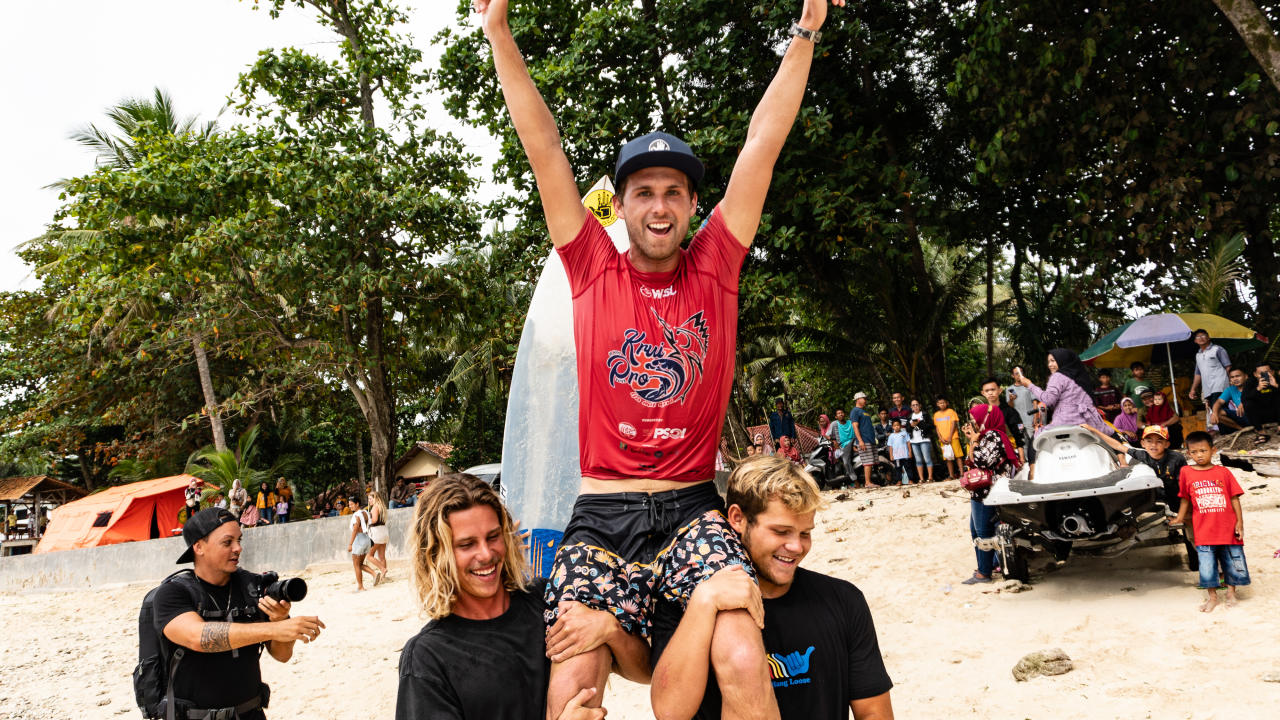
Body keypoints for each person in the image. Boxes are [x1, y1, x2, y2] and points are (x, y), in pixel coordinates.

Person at [481, 0, 842, 712]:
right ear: (620, 205)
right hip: (602, 513)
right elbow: (544, 146)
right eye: (642, 191)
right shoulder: (591, 266)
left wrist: (805, 34)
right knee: (572, 679)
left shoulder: (717, 264)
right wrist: (498, 32)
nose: (658, 204)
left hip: (691, 508)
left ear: (691, 204)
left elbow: (761, 145)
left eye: (673, 192)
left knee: (742, 652)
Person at [650, 456, 894, 719]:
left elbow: (873, 712)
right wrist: (704, 602)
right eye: (781, 531)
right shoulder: (685, 603)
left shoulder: (844, 600)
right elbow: (670, 711)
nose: (797, 547)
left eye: (805, 533)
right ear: (737, 518)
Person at [396, 474, 632, 720]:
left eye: (493, 537)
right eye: (467, 545)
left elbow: (646, 672)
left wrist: (610, 630)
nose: (486, 554)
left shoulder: (547, 598)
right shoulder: (427, 657)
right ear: (435, 554)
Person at [153, 509, 325, 720]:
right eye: (228, 542)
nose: (238, 548)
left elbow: (282, 655)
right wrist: (275, 628)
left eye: (239, 540)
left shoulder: (252, 587)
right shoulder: (172, 593)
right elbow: (197, 637)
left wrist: (279, 619)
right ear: (198, 547)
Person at [1171, 431, 1249, 612]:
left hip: (1227, 526)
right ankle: (1212, 597)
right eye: (1195, 452)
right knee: (1206, 564)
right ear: (1188, 453)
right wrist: (1180, 518)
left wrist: (1240, 522)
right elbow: (1184, 498)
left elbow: (1234, 498)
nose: (1199, 455)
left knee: (1232, 560)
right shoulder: (1186, 472)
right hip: (1203, 528)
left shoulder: (1223, 472)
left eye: (1203, 451)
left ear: (1213, 450)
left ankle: (1231, 593)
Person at [1085, 424, 1188, 513]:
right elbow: (1118, 446)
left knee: (1187, 516)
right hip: (1160, 494)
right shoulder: (1143, 455)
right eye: (1149, 441)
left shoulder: (1177, 458)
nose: (1153, 445)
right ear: (1142, 444)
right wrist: (1094, 430)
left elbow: (1186, 486)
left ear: (1167, 444)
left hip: (1179, 495)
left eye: (1159, 441)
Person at [959, 421, 1015, 584]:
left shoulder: (993, 436)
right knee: (976, 530)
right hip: (981, 490)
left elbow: (982, 462)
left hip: (987, 491)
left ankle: (984, 573)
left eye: (976, 418)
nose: (974, 422)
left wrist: (975, 442)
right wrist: (972, 440)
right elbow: (969, 461)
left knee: (983, 532)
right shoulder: (983, 437)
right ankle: (989, 564)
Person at [1011, 350, 1111, 437]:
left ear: (1062, 360)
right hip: (1090, 421)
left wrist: (1029, 385)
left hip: (1066, 422)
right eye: (1048, 361)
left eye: (1053, 361)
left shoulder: (1057, 376)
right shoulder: (1078, 376)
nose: (1049, 365)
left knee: (1034, 444)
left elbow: (1048, 400)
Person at [1188, 329, 1232, 432]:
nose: (1201, 338)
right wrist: (1193, 389)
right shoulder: (1198, 355)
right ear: (1195, 341)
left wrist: (1228, 382)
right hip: (1208, 387)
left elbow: (1228, 366)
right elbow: (1198, 374)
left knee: (1218, 407)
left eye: (1203, 335)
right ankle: (1226, 431)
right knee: (1216, 409)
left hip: (1220, 384)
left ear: (1208, 337)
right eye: (1198, 337)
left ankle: (1230, 431)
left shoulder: (1218, 349)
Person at [972, 378, 1020, 468]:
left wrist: (1020, 454)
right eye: (987, 390)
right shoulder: (979, 412)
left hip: (1006, 454)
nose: (990, 393)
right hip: (985, 453)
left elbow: (1018, 434)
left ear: (1000, 390)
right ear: (982, 393)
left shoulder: (1009, 411)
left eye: (993, 389)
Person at [346, 497, 383, 591]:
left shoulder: (356, 515)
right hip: (367, 538)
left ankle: (360, 586)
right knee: (360, 563)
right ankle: (374, 574)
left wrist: (350, 544)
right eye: (349, 505)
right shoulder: (366, 512)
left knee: (356, 565)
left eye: (352, 504)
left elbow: (355, 529)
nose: (350, 506)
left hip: (359, 539)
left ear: (357, 503)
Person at [1210, 367, 1251, 434]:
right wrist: (1214, 413)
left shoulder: (1254, 386)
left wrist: (1245, 402)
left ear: (1246, 376)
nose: (1235, 379)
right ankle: (1242, 429)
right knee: (1218, 412)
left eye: (1238, 376)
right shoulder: (1230, 389)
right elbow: (1219, 402)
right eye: (1232, 377)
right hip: (1243, 416)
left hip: (1257, 415)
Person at [1242, 360, 1279, 433]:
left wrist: (1276, 385)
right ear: (1255, 374)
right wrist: (1257, 389)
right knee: (1248, 403)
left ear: (1272, 372)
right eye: (1260, 373)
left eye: (1267, 372)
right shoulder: (1250, 382)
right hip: (1260, 415)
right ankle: (1260, 430)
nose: (1264, 375)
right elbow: (1244, 399)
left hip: (1276, 413)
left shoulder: (1277, 379)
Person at [849, 392, 877, 488]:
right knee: (867, 462)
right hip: (864, 440)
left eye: (865, 398)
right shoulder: (855, 411)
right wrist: (860, 441)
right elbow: (855, 427)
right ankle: (867, 483)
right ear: (857, 400)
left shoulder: (864, 411)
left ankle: (870, 481)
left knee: (871, 461)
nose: (865, 400)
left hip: (870, 440)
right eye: (863, 398)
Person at [933, 397, 962, 480]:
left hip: (953, 437)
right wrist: (940, 438)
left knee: (958, 456)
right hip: (943, 440)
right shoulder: (936, 415)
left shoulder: (951, 412)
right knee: (948, 457)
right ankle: (951, 475)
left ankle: (962, 474)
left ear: (947, 403)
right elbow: (937, 428)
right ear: (937, 404)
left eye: (943, 402)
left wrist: (950, 436)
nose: (942, 404)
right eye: (940, 403)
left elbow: (954, 424)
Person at [907, 399, 935, 483]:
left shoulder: (925, 414)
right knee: (918, 460)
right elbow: (907, 429)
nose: (915, 406)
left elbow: (931, 426)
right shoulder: (910, 416)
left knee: (927, 459)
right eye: (913, 405)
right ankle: (921, 478)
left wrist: (920, 423)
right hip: (914, 441)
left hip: (924, 439)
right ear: (911, 407)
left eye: (916, 405)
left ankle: (930, 477)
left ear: (920, 405)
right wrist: (912, 425)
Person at [886, 420, 912, 485]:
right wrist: (891, 455)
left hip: (905, 455)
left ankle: (910, 480)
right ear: (892, 427)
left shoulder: (905, 433)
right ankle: (899, 481)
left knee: (908, 468)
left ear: (900, 426)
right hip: (897, 456)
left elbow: (908, 443)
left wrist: (910, 452)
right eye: (895, 425)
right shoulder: (891, 436)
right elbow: (890, 447)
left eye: (898, 425)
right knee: (898, 469)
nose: (896, 427)